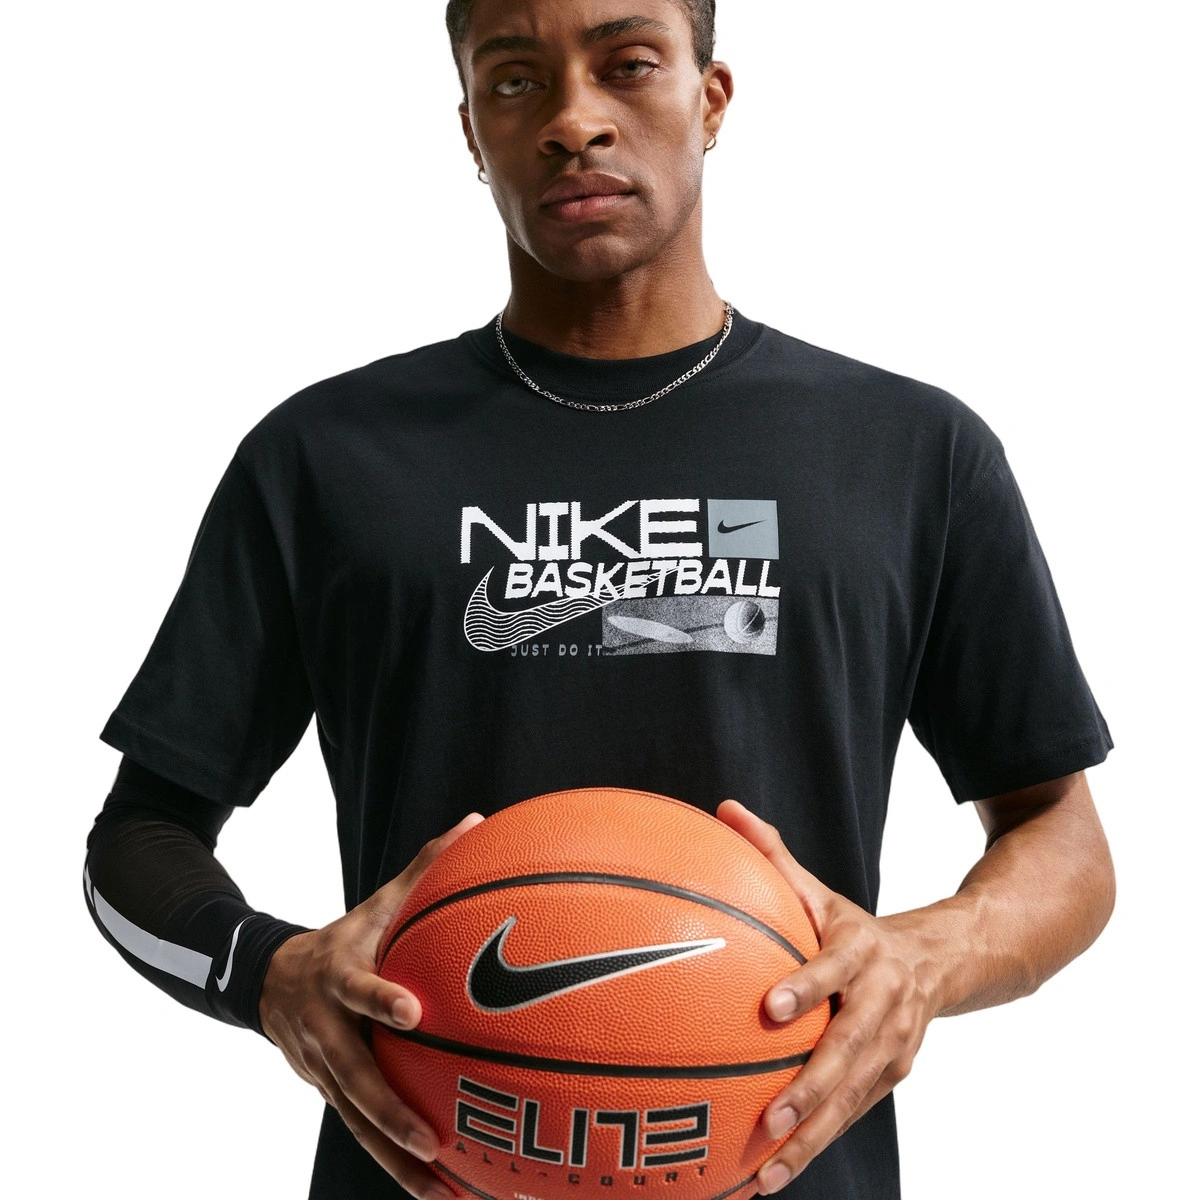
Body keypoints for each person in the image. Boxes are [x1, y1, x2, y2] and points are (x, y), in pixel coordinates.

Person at [83, 2, 1117, 1198]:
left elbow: (1063, 837)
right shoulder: (325, 459)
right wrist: (267, 973)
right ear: (471, 130)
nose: (574, 121)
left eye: (628, 65)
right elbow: (138, 839)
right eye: (515, 81)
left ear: (710, 98)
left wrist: (923, 959)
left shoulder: (909, 452)